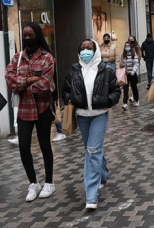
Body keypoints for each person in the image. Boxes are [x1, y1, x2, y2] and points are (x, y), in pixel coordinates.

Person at [62, 39, 121, 210]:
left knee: (93, 150)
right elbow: (65, 91)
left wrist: (107, 101)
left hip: (99, 115)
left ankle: (91, 194)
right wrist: (70, 99)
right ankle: (103, 175)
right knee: (91, 149)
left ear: (95, 51)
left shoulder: (105, 70)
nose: (85, 51)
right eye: (82, 49)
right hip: (82, 116)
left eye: (89, 48)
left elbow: (116, 90)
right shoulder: (74, 70)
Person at [5, 22, 56, 202]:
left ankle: (49, 182)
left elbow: (46, 85)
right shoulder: (17, 57)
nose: (27, 38)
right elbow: (10, 82)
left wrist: (23, 83)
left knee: (45, 146)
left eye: (30, 35)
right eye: (24, 35)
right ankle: (33, 182)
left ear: (38, 35)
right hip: (24, 110)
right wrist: (31, 80)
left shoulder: (47, 58)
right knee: (24, 147)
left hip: (43, 109)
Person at [120, 41, 139, 110]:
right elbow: (121, 62)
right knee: (125, 89)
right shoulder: (123, 55)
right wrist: (121, 65)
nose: (127, 47)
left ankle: (136, 100)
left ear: (130, 46)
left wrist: (133, 71)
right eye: (126, 46)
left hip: (132, 74)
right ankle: (125, 103)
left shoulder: (134, 54)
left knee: (134, 88)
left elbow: (136, 63)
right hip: (125, 74)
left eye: (128, 45)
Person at [127, 35, 141, 103]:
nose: (131, 41)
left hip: (135, 66)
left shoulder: (137, 47)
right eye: (129, 40)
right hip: (128, 67)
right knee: (131, 83)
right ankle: (131, 96)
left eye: (132, 39)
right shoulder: (127, 47)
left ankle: (133, 96)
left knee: (134, 83)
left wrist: (134, 59)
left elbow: (139, 56)